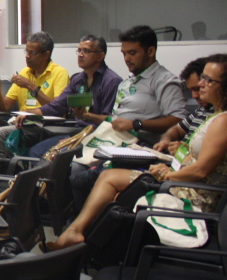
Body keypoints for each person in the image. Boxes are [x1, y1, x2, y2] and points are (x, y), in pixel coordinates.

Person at [53, 54, 227, 250]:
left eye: (208, 80)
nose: (201, 84)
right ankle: (80, 234)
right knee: (109, 178)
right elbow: (197, 156)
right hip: (182, 179)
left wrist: (168, 175)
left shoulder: (222, 120)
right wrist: (177, 159)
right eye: (203, 77)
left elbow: (201, 171)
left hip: (194, 193)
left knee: (110, 182)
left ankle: (81, 236)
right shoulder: (213, 114)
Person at [68, 25, 190, 209]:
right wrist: (88, 116)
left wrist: (137, 124)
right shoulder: (128, 82)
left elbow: (179, 119)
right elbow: (116, 121)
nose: (127, 59)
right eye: (124, 53)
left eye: (132, 53)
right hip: (114, 140)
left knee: (79, 177)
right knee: (67, 162)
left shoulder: (164, 80)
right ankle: (75, 218)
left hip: (141, 147)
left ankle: (88, 222)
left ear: (151, 51)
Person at [0, 31, 70, 173]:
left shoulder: (59, 73)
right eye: (26, 51)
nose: (27, 56)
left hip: (42, 126)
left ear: (46, 54)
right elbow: (4, 108)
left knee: (0, 134)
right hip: (18, 123)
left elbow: (58, 109)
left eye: (32, 53)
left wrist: (31, 86)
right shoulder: (25, 72)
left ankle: (11, 178)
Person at [14, 34, 123, 158]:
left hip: (98, 136)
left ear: (100, 56)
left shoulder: (111, 81)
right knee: (36, 151)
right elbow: (56, 106)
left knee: (48, 154)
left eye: (86, 51)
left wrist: (86, 116)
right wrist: (29, 113)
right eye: (79, 51)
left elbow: (110, 120)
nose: (80, 55)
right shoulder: (78, 79)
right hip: (77, 131)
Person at [153, 57, 212, 154]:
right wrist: (166, 140)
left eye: (198, 89)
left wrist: (187, 151)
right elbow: (176, 129)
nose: (194, 96)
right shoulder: (201, 110)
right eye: (191, 90)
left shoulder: (220, 117)